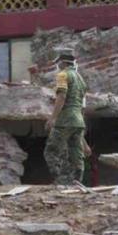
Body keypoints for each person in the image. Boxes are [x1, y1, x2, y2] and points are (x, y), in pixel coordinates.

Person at [44, 48, 87, 185]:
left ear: (62, 63)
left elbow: (62, 96)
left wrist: (53, 118)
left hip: (65, 120)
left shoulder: (63, 75)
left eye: (58, 63)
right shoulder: (80, 79)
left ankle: (61, 180)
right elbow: (82, 105)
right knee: (76, 152)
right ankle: (76, 180)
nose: (58, 66)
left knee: (52, 150)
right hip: (78, 120)